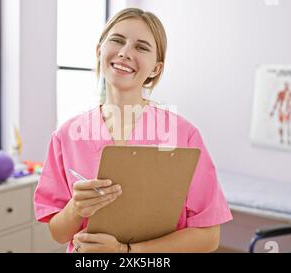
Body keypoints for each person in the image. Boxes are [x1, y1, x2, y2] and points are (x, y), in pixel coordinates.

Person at [33, 8, 232, 253]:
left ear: (156, 69)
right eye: (117, 40)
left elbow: (209, 237)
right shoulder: (67, 135)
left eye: (142, 47)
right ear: (99, 51)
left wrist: (124, 251)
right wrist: (76, 208)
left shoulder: (183, 135)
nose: (125, 52)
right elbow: (57, 233)